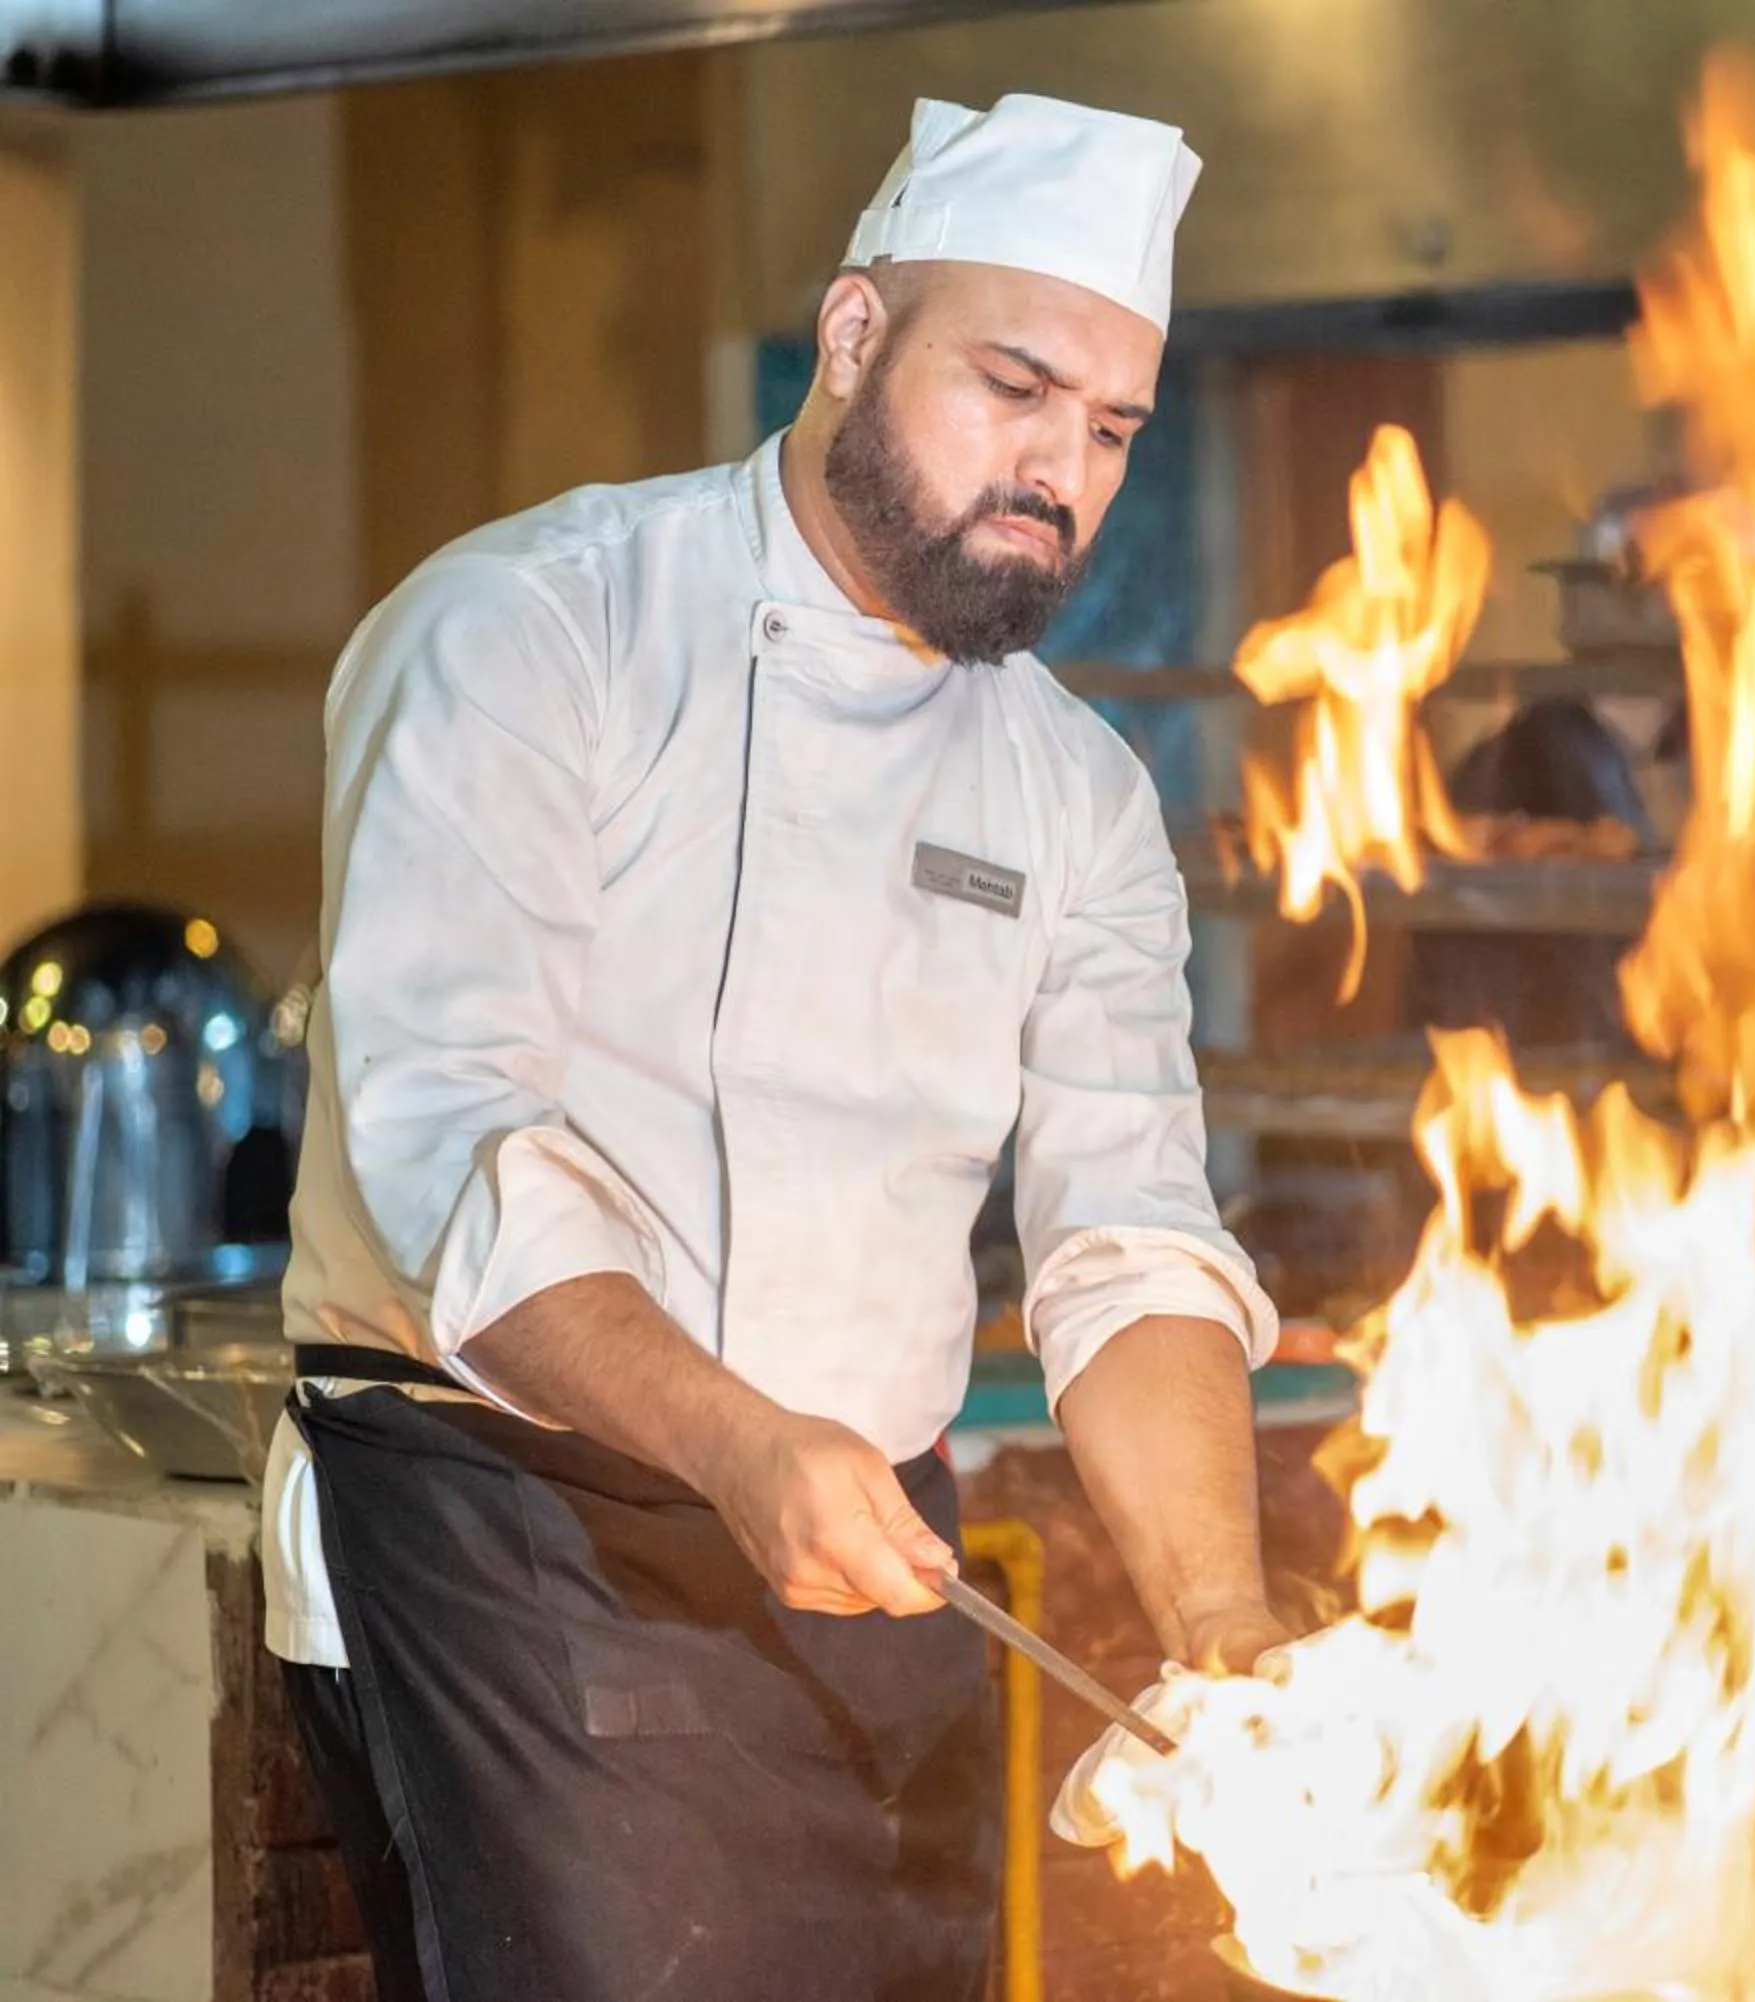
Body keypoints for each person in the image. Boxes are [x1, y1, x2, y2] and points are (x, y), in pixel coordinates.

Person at [259, 94, 1290, 2000]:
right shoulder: (530, 633)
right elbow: (456, 1154)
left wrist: (1221, 1623)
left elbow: (1128, 1240)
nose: (1058, 467)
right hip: (523, 1540)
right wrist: (738, 1441)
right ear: (850, 335)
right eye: (1013, 385)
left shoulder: (1074, 791)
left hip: (878, 1560)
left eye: (1112, 430)